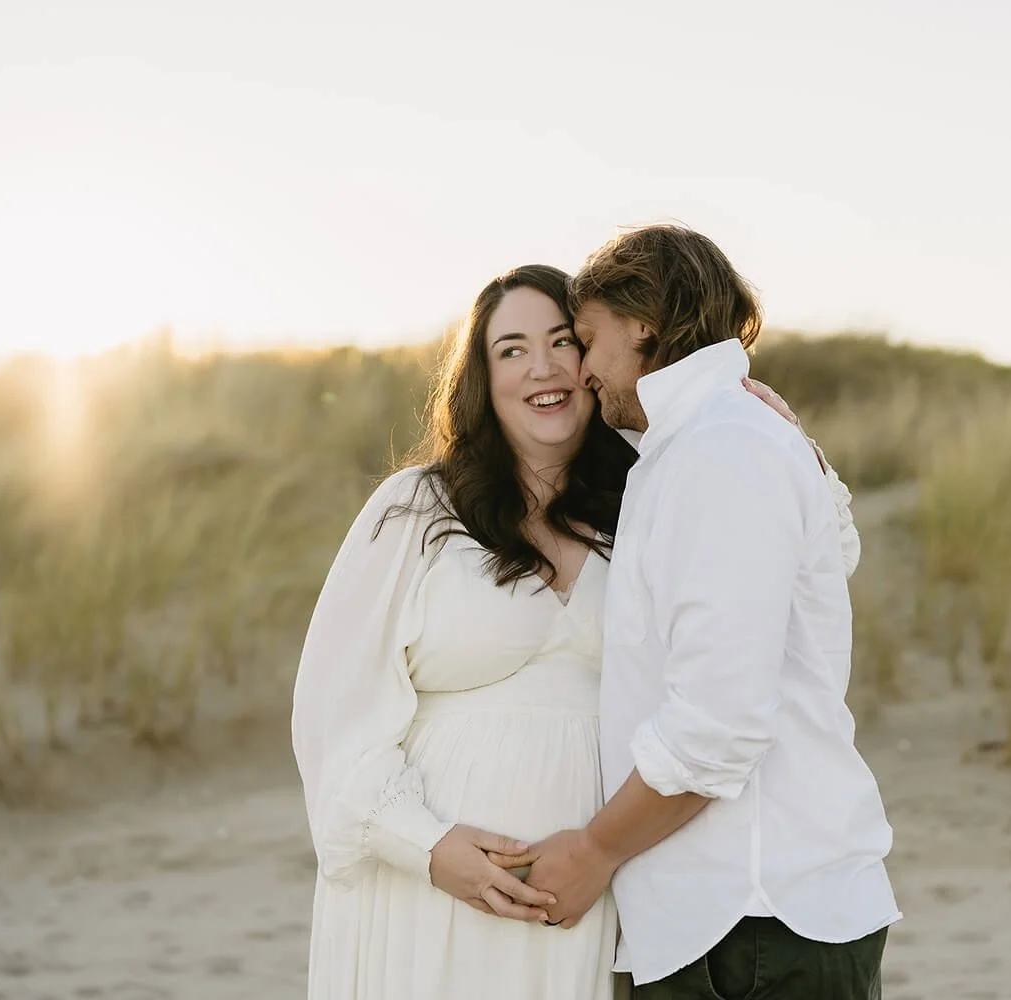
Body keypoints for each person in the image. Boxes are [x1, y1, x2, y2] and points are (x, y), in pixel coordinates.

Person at [290, 262, 861, 1000]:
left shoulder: (649, 495)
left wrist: (793, 450)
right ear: (481, 378)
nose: (544, 367)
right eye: (512, 349)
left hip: (590, 892)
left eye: (565, 341)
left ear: (597, 362)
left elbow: (812, 567)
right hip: (429, 889)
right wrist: (426, 847)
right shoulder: (415, 510)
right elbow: (333, 713)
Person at [511, 227, 901, 999]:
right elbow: (819, 567)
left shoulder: (721, 448)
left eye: (587, 341)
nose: (582, 371)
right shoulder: (709, 442)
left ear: (643, 322)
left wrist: (594, 849)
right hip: (736, 923)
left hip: (755, 924)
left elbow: (720, 726)